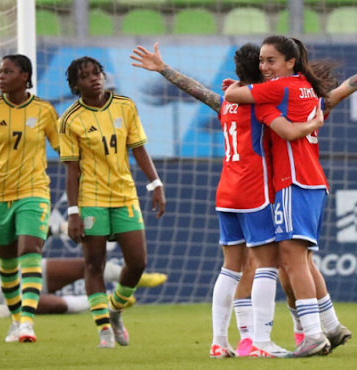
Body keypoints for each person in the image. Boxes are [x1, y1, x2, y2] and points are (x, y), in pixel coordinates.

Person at [130, 42, 323, 358]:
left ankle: (220, 341)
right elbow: (288, 132)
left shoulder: (226, 104)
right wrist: (313, 123)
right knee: (266, 265)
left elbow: (196, 90)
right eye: (263, 63)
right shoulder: (260, 105)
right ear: (259, 70)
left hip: (226, 192)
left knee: (231, 268)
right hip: (254, 190)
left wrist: (163, 68)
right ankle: (260, 342)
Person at [225, 36, 357, 357]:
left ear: (290, 62)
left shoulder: (278, 90)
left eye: (270, 61)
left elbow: (230, 94)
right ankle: (332, 326)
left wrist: (242, 86)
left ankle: (311, 334)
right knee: (302, 260)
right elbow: (341, 91)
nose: (264, 67)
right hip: (313, 182)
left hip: (291, 182)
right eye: (261, 62)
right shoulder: (307, 90)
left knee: (290, 261)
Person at [60, 56, 166, 349]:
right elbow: (72, 170)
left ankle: (115, 309)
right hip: (92, 199)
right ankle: (104, 329)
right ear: (75, 85)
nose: (94, 79)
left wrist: (156, 183)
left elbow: (138, 148)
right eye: (85, 76)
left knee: (138, 262)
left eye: (97, 73)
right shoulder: (69, 119)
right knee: (94, 265)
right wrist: (73, 212)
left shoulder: (125, 105)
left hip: (125, 195)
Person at [0, 54, 61, 343]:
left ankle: (27, 323)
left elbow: (63, 148)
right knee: (7, 263)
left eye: (7, 71)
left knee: (29, 250)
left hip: (34, 191)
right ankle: (15, 318)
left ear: (25, 76)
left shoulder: (45, 110)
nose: (1, 76)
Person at [0, 218, 165, 319]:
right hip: (12, 297)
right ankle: (110, 300)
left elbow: (24, 237)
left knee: (87, 265)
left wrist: (58, 229)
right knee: (56, 305)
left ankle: (138, 278)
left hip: (29, 272)